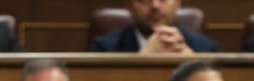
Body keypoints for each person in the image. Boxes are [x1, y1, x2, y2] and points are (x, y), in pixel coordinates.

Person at [89, 0, 218, 53]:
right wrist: (142, 59)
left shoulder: (205, 48)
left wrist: (194, 62)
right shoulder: (103, 48)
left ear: (178, 3)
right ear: (128, 6)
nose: (155, 5)